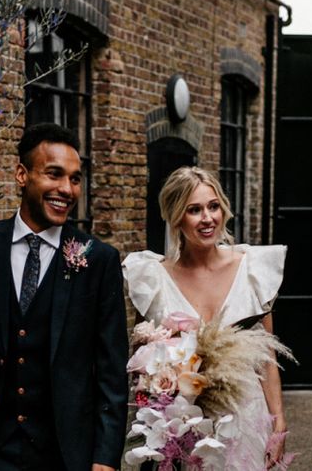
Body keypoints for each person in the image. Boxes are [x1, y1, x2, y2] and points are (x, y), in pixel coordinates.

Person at [0, 123, 129, 471]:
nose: (67, 189)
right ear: (21, 175)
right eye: (54, 174)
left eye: (75, 179)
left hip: (63, 452)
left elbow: (111, 372)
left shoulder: (99, 260)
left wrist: (105, 458)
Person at [122, 166, 289, 470]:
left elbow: (267, 355)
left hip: (246, 417)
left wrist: (278, 424)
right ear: (175, 217)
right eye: (194, 210)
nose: (208, 218)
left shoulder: (251, 270)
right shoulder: (153, 279)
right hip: (183, 427)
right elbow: (141, 357)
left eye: (213, 206)